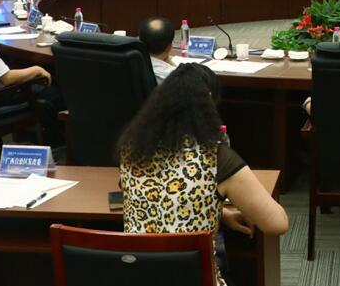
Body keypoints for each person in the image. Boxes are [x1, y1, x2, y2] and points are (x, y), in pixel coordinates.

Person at [117, 65, 289, 286]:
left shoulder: (132, 151)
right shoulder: (215, 158)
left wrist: (220, 213)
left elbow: (152, 199)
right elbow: (277, 224)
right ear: (209, 106)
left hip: (135, 276)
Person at [138, 17, 178, 85]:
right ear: (169, 47)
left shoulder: (131, 61)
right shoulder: (172, 75)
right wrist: (169, 60)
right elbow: (183, 78)